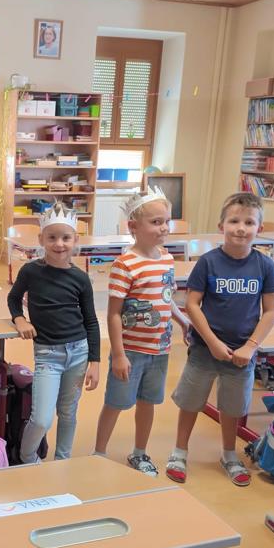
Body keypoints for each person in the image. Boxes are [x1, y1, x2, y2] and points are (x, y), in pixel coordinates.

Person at [166, 192, 274, 486]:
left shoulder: (265, 266)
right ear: (221, 226)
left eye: (249, 223)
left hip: (242, 353)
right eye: (234, 221)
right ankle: (179, 451)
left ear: (259, 229)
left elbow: (271, 311)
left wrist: (250, 347)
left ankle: (229, 454)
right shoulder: (208, 262)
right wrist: (213, 342)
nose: (241, 228)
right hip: (204, 350)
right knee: (191, 402)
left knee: (231, 407)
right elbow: (192, 304)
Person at [93, 188, 190, 476]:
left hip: (159, 350)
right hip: (131, 352)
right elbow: (113, 313)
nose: (164, 228)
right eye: (156, 222)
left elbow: (165, 297)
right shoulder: (125, 264)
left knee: (148, 403)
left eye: (167, 221)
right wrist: (118, 355)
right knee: (116, 403)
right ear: (133, 227)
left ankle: (139, 452)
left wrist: (183, 321)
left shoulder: (167, 259)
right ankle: (98, 452)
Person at [7, 203, 101, 464]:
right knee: (41, 419)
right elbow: (13, 298)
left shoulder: (80, 278)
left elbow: (91, 321)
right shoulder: (30, 271)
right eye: (52, 237)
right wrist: (19, 319)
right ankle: (27, 458)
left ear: (75, 240)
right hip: (48, 354)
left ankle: (63, 462)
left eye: (66, 238)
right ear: (41, 239)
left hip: (79, 353)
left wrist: (95, 361)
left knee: (68, 413)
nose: (59, 244)